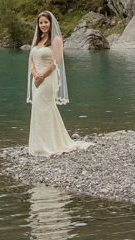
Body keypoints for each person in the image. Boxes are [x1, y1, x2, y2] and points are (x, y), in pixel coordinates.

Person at [26, 11, 91, 156]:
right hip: (36, 78)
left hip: (47, 78)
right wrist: (35, 73)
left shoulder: (56, 40)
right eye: (41, 23)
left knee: (45, 108)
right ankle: (38, 144)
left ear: (51, 23)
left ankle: (48, 145)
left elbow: (56, 62)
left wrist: (42, 75)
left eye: (45, 22)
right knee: (37, 108)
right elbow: (31, 58)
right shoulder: (38, 39)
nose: (43, 25)